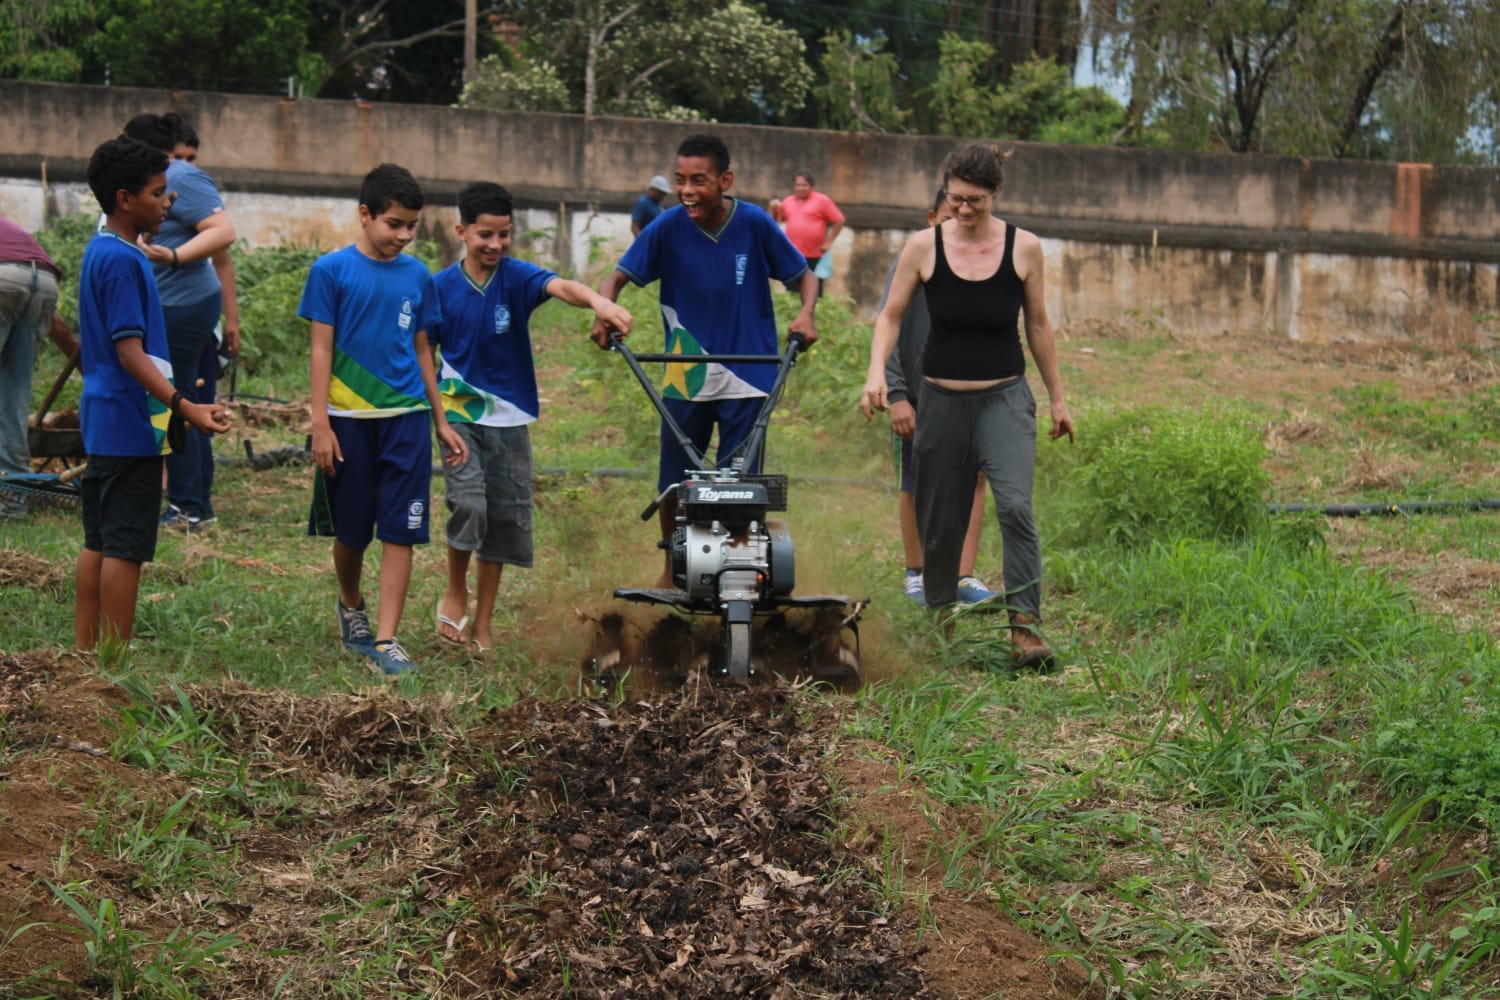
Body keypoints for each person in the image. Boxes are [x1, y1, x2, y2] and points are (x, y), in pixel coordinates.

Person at [861, 143, 1074, 669]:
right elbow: (889, 317)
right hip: (940, 403)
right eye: (955, 198)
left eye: (974, 200)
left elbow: (1039, 326)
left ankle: (1025, 628)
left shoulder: (1024, 248)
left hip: (1004, 399)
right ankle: (940, 616)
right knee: (941, 516)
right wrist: (877, 375)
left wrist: (1058, 399)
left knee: (1017, 507)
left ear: (995, 193)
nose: (963, 209)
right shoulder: (923, 246)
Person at [592, 134, 817, 584]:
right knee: (674, 483)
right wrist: (605, 310)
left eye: (699, 180)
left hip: (748, 374)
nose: (687, 190)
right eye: (680, 180)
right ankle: (671, 568)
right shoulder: (668, 226)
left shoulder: (753, 224)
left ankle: (739, 569)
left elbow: (803, 276)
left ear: (725, 180)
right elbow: (617, 277)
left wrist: (806, 313)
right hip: (686, 373)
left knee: (742, 487)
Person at [431, 181, 632, 652]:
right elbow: (422, 350)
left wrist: (601, 302)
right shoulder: (438, 287)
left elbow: (562, 286)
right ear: (462, 231)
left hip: (510, 419)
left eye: (505, 234)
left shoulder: (517, 277)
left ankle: (483, 623)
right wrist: (435, 414)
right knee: (468, 503)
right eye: (485, 235)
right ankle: (456, 588)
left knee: (503, 519)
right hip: (458, 413)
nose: (496, 244)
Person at [300, 163, 468, 676]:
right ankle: (351, 603)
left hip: (407, 420)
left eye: (411, 226)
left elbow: (423, 349)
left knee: (403, 529)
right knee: (351, 532)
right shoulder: (331, 271)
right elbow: (320, 349)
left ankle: (387, 640)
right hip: (349, 420)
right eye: (394, 223)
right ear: (365, 215)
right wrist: (322, 423)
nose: (404, 235)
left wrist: (439, 419)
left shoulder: (418, 276)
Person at [73, 137, 231, 650]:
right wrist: (184, 407)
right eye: (160, 192)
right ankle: (112, 666)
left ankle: (86, 651)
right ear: (125, 199)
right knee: (125, 547)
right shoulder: (126, 261)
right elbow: (129, 351)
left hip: (104, 418)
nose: (170, 202)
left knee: (97, 541)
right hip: (131, 425)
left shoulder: (101, 250)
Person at [122, 112, 237, 530]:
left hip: (182, 303)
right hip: (169, 303)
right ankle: (192, 501)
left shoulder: (180, 176)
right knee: (179, 398)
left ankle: (189, 506)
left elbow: (223, 232)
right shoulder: (159, 177)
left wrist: (171, 257)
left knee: (174, 400)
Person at [882, 189, 996, 606]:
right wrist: (896, 394)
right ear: (933, 218)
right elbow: (888, 326)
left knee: (976, 478)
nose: (960, 224)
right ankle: (917, 571)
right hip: (918, 397)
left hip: (975, 397)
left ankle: (963, 574)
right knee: (915, 481)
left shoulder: (985, 262)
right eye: (950, 216)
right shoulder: (913, 260)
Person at [0, 217, 79, 518]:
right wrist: (88, 369)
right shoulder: (11, 233)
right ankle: (14, 504)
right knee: (13, 398)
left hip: (3, 277)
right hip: (44, 281)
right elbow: (59, 327)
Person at [170, 123, 241, 392]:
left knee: (200, 400)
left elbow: (222, 262)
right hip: (171, 311)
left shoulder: (199, 203)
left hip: (200, 320)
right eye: (178, 158)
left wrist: (232, 320)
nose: (185, 165)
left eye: (191, 158)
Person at [769, 170, 844, 297]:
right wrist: (772, 208)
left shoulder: (822, 200)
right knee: (792, 289)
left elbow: (839, 220)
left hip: (814, 254)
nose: (801, 188)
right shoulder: (788, 201)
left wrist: (829, 242)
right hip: (793, 253)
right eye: (798, 185)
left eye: (804, 185)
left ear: (811, 186)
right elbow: (774, 222)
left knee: (813, 291)